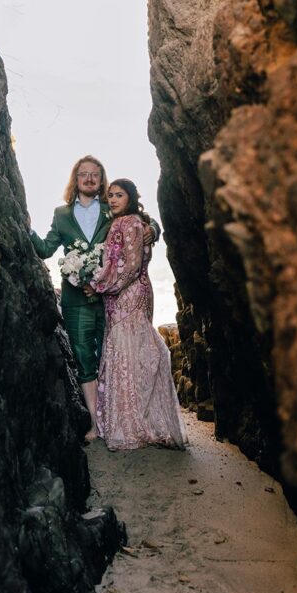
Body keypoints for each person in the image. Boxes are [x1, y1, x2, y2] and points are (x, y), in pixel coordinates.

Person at [31, 156, 159, 441]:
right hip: (76, 300)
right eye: (83, 174)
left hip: (110, 300)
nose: (89, 179)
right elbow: (45, 249)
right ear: (75, 179)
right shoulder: (61, 214)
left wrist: (154, 230)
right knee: (84, 358)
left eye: (95, 175)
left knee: (110, 358)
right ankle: (95, 422)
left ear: (101, 180)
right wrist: (25, 227)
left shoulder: (110, 209)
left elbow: (139, 219)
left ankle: (116, 419)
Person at [86, 178, 187, 451]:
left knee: (126, 354)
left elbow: (127, 267)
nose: (114, 199)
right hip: (139, 291)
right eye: (111, 195)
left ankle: (130, 425)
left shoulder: (125, 223)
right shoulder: (137, 223)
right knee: (134, 353)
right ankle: (141, 419)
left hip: (127, 294)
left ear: (130, 198)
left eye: (120, 194)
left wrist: (97, 285)